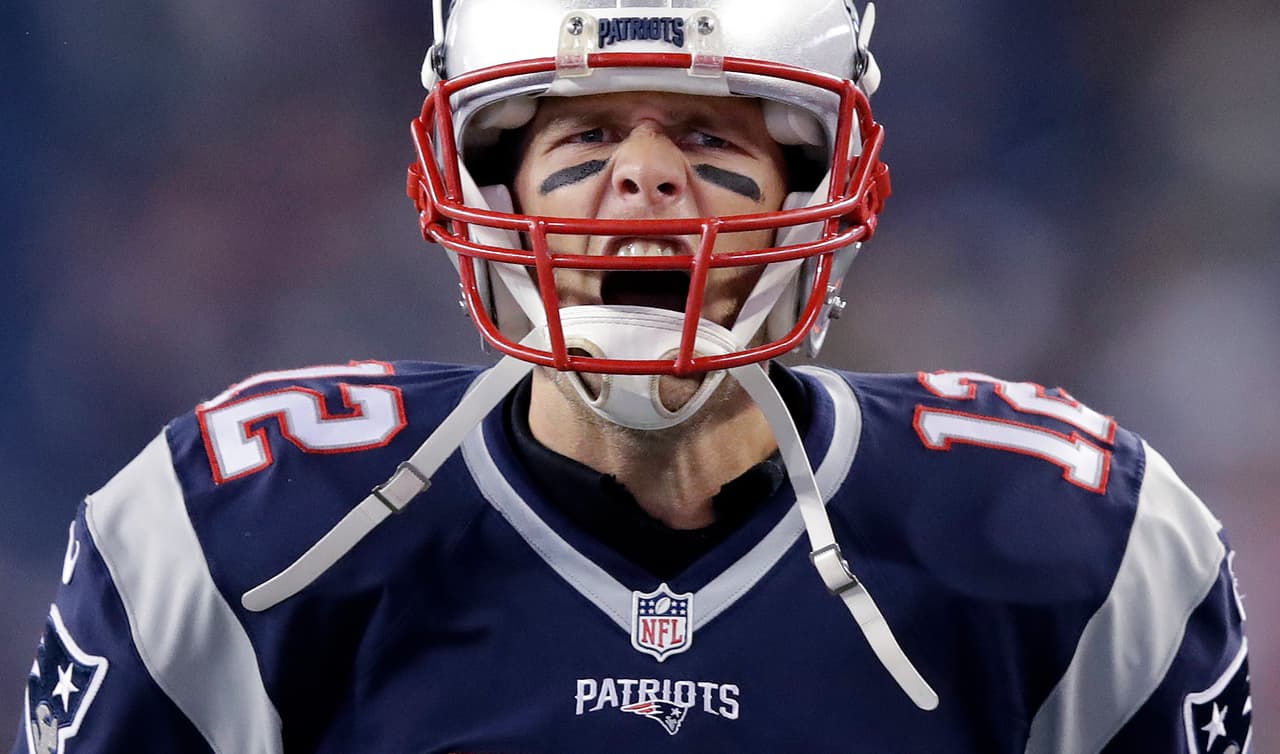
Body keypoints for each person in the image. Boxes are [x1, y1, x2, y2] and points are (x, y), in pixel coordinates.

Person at [14, 0, 1254, 751]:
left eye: (710, 137)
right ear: (485, 182)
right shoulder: (242, 533)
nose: (645, 184)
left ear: (815, 188)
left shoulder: (1061, 546)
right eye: (588, 134)